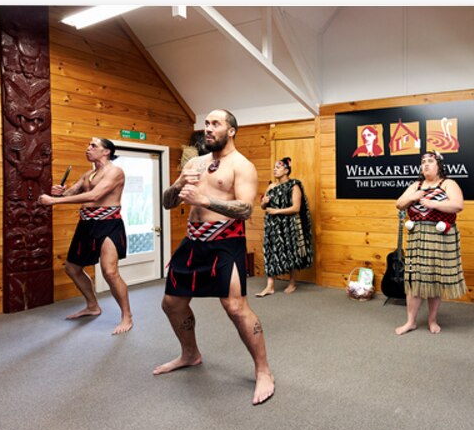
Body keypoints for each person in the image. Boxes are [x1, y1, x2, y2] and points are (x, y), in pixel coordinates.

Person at [154, 109, 275, 406]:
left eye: (215, 124)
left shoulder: (242, 166)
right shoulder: (194, 163)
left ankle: (263, 371)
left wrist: (205, 200)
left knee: (235, 307)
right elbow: (168, 202)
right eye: (206, 123)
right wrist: (179, 183)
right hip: (193, 241)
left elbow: (246, 209)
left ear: (231, 131)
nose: (208, 128)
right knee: (171, 304)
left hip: (225, 242)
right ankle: (190, 354)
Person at [37, 137, 133, 335]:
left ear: (106, 151)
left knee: (109, 272)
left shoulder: (115, 172)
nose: (88, 149)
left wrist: (54, 201)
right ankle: (92, 306)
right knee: (72, 268)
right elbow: (70, 194)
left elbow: (94, 196)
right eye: (88, 145)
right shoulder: (88, 174)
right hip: (87, 224)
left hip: (109, 225)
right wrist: (59, 192)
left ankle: (127, 316)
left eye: (93, 146)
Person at [394, 151, 466, 335]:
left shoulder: (448, 184)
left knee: (434, 278)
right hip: (418, 235)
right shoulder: (416, 186)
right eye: (423, 161)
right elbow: (399, 203)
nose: (426, 164)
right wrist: (413, 197)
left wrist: (433, 204)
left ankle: (432, 320)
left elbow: (458, 205)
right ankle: (410, 321)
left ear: (438, 165)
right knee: (414, 279)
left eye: (430, 161)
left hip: (440, 235)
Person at [255, 157, 314, 297]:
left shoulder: (294, 186)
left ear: (286, 170)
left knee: (289, 251)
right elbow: (263, 206)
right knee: (270, 251)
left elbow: (296, 208)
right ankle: (269, 286)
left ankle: (292, 282)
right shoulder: (271, 186)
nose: (275, 169)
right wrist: (264, 202)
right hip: (272, 225)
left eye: (278, 167)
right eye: (274, 167)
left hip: (288, 224)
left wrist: (277, 211)